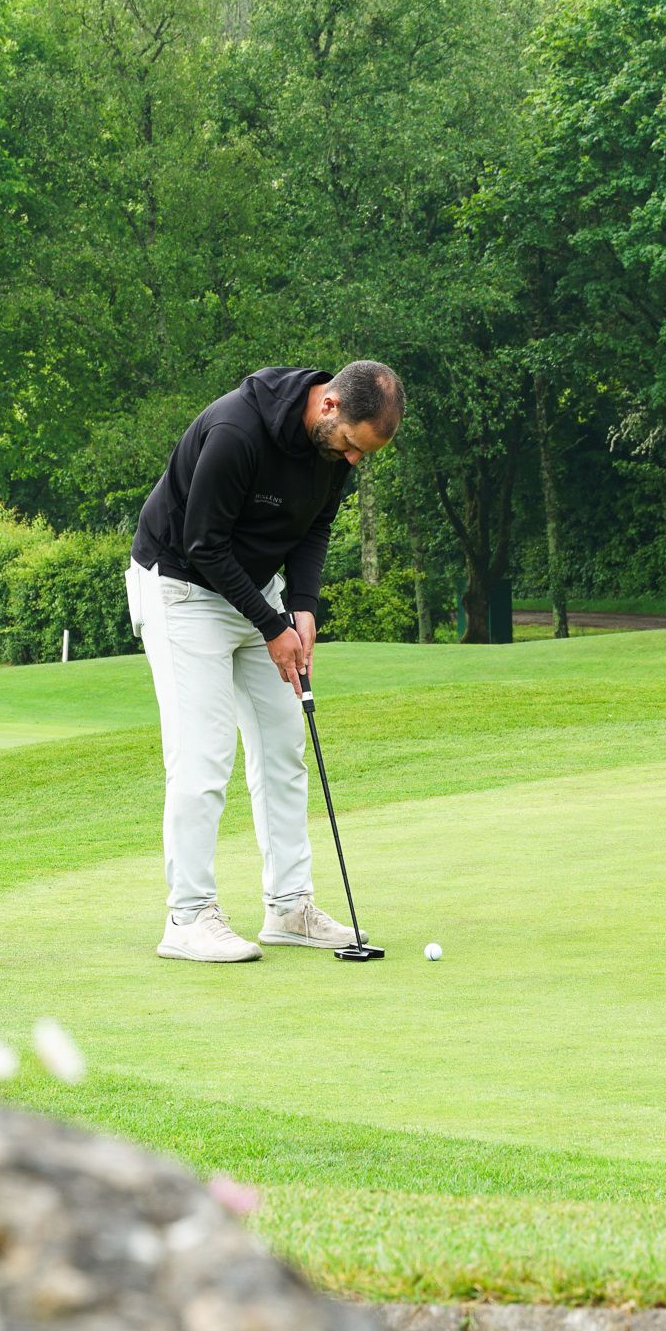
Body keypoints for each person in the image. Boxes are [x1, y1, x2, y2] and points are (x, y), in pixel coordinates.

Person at [126, 361, 404, 963]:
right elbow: (204, 543)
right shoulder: (236, 430)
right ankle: (188, 916)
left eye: (365, 454)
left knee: (283, 746)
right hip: (180, 586)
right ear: (328, 406)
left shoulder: (332, 455)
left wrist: (302, 609)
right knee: (203, 756)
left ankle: (289, 906)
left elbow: (314, 528)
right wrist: (273, 624)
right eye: (353, 446)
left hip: (254, 590)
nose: (354, 462)